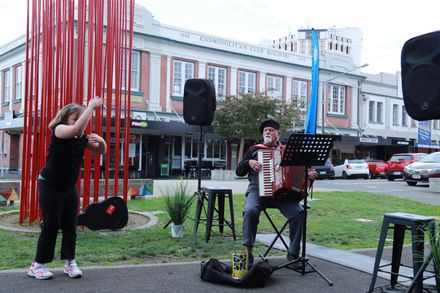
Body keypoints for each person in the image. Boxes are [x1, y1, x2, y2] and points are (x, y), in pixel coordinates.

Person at [28, 97, 107, 280]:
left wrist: (101, 140)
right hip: (49, 184)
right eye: (75, 117)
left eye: (80, 118)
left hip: (68, 186)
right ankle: (37, 265)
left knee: (71, 225)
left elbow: (100, 151)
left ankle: (70, 263)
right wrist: (90, 107)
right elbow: (75, 129)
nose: (79, 121)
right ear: (65, 118)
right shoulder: (60, 130)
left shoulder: (81, 138)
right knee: (51, 225)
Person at [236, 119, 317, 267]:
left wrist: (310, 174)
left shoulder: (288, 152)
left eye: (271, 130)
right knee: (250, 211)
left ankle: (293, 255)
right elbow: (239, 171)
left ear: (278, 134)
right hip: (257, 190)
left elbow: (304, 170)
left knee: (299, 212)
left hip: (281, 194)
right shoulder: (254, 150)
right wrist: (248, 163)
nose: (267, 132)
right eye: (265, 130)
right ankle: (248, 251)